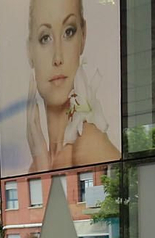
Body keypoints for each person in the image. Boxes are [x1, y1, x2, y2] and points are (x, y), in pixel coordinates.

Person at [26, 0, 119, 171]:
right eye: (45, 38)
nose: (58, 57)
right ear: (29, 50)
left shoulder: (89, 141)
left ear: (83, 37)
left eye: (69, 32)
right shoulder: (39, 162)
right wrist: (41, 161)